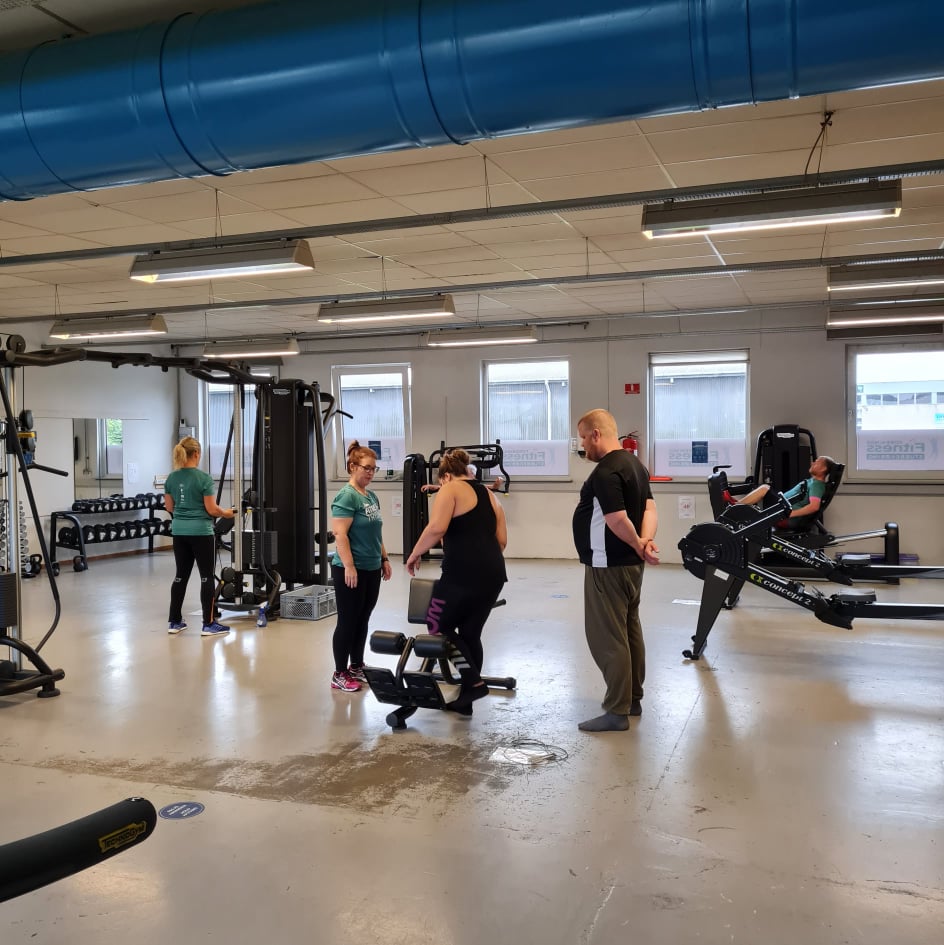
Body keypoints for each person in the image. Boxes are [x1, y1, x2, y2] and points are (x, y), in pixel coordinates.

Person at [572, 409, 659, 733]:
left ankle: (616, 711)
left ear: (596, 434)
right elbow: (650, 508)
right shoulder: (635, 465)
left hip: (607, 566)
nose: (583, 445)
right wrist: (645, 542)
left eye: (583, 437)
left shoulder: (606, 471)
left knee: (608, 637)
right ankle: (632, 699)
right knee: (628, 629)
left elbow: (616, 518)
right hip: (630, 565)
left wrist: (638, 543)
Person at [405, 448, 507, 715]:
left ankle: (474, 683)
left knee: (437, 625)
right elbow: (502, 541)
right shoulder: (491, 496)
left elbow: (436, 528)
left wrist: (414, 553)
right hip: (494, 573)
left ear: (446, 476)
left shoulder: (449, 489)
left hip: (461, 573)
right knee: (471, 633)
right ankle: (466, 699)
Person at [329, 442, 392, 692]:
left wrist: (384, 559)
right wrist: (349, 566)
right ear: (352, 466)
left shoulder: (371, 496)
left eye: (374, 469)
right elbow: (340, 534)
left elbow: (377, 532)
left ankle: (356, 665)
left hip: (371, 567)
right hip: (350, 569)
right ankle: (339, 673)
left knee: (363, 618)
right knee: (348, 620)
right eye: (366, 468)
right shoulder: (347, 496)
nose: (370, 473)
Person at [163, 436, 236, 637]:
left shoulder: (171, 478)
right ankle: (208, 623)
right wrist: (227, 513)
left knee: (180, 576)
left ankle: (174, 621)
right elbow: (212, 509)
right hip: (201, 533)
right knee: (206, 577)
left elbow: (169, 507)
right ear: (196, 454)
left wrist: (184, 515)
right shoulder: (204, 478)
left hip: (179, 532)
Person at [733, 455, 837, 527]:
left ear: (823, 468)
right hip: (782, 507)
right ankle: (735, 506)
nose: (812, 463)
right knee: (762, 489)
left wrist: (791, 513)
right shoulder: (813, 482)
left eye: (817, 462)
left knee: (764, 488)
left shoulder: (817, 485)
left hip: (784, 514)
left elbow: (814, 506)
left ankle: (734, 507)